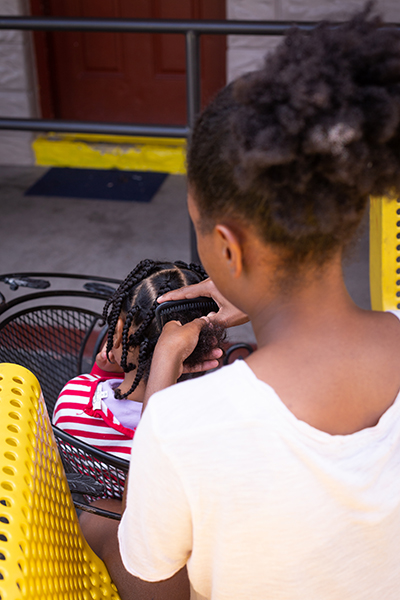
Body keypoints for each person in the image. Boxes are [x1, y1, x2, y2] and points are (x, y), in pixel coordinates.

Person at [81, 7, 400, 599]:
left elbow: (158, 590)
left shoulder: (181, 426)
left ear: (226, 247)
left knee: (103, 520)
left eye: (199, 225)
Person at [52, 259, 224, 459]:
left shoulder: (72, 401)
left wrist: (101, 374)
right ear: (202, 348)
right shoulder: (202, 432)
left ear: (117, 333)